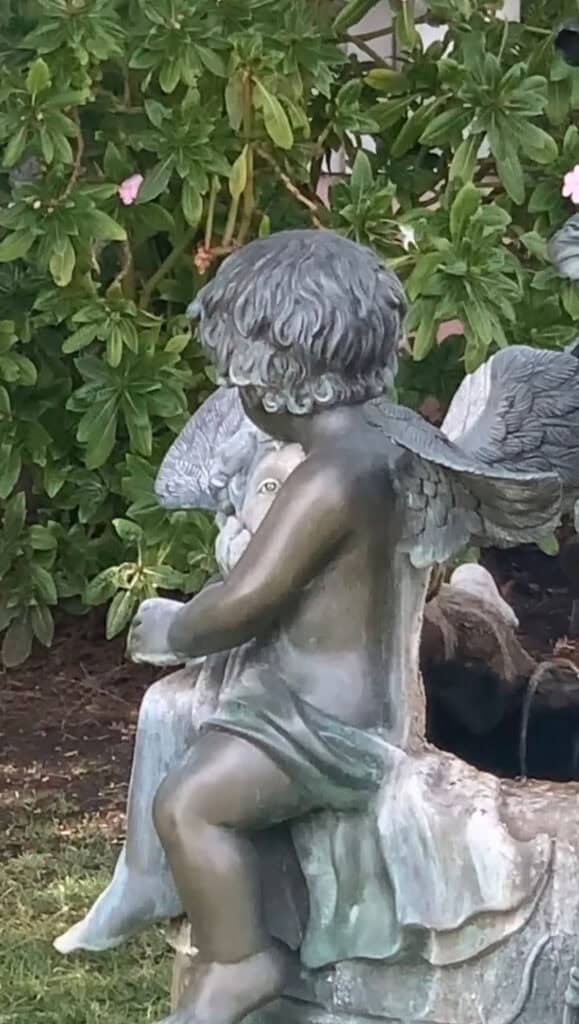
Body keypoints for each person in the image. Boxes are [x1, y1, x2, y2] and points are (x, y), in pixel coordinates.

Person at [127, 230, 408, 1024]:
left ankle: (241, 960)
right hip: (311, 702)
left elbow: (246, 599)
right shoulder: (376, 447)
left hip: (323, 724)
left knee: (190, 805)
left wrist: (175, 629)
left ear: (279, 378)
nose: (236, 399)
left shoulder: (328, 477)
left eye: (237, 379)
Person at [54, 430, 304, 955]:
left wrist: (179, 628)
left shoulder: (329, 504)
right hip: (255, 675)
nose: (276, 500)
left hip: (303, 699)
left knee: (186, 771)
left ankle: (226, 939)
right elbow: (234, 605)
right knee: (164, 704)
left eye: (287, 487)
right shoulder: (250, 543)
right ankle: (144, 877)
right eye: (265, 488)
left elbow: (249, 609)